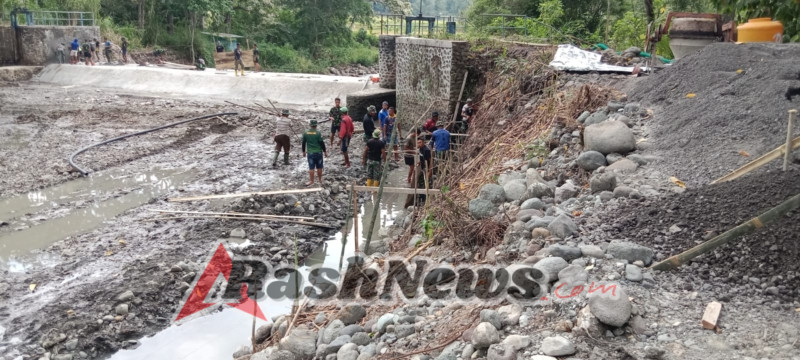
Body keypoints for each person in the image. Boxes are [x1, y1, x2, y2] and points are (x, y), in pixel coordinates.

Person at [302, 120, 328, 186]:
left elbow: (303, 143)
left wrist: (303, 151)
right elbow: (322, 143)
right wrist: (325, 151)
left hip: (310, 152)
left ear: (310, 125)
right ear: (316, 125)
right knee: (319, 167)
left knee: (311, 167)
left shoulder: (306, 133)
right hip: (318, 152)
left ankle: (311, 181)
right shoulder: (318, 133)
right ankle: (319, 180)